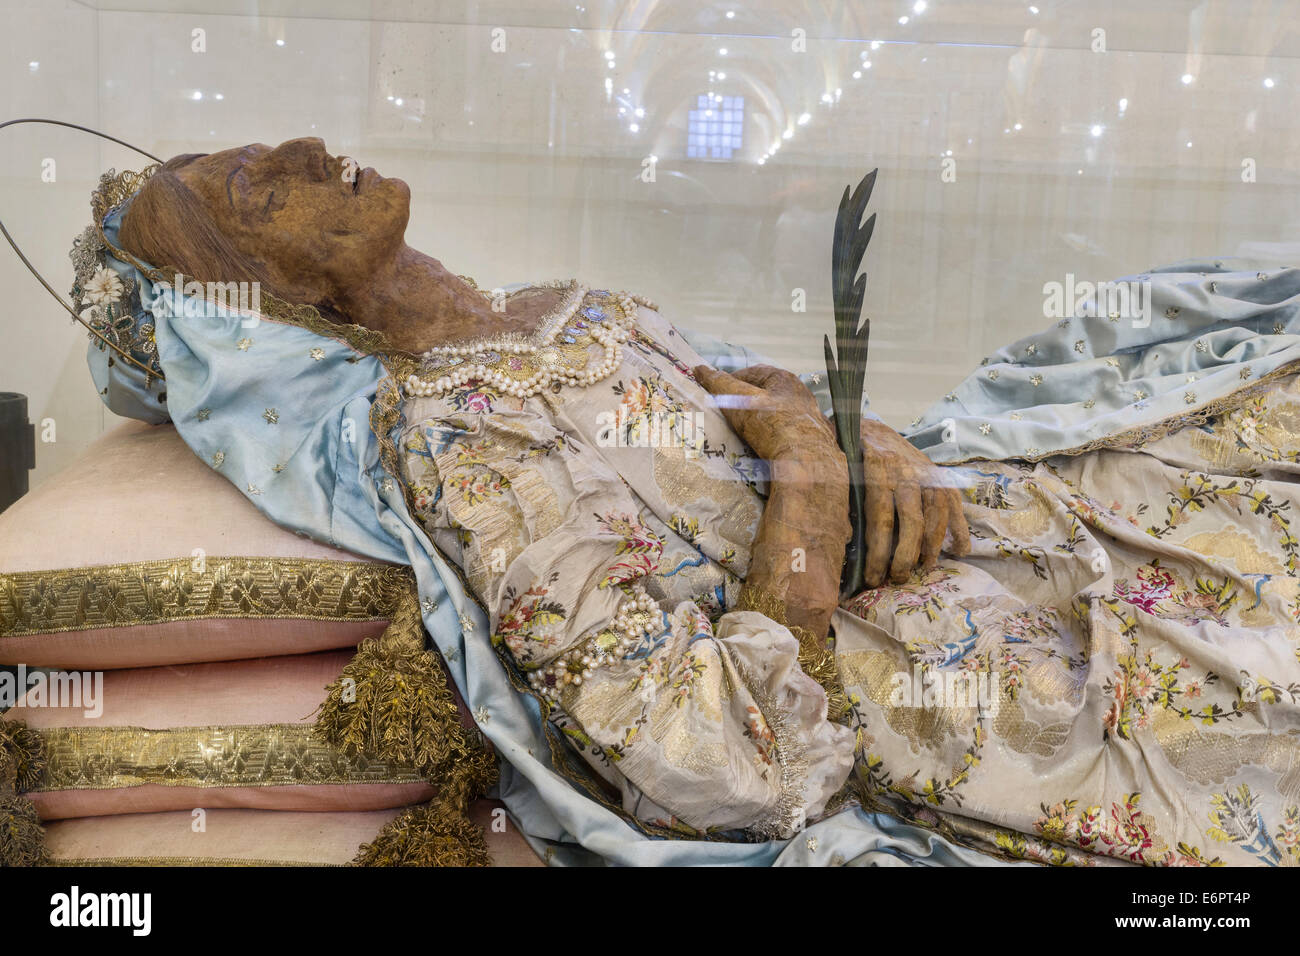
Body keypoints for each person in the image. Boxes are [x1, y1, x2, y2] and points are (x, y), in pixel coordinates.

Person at [82, 137, 1300, 865]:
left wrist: (835, 427)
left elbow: (730, 404)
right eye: (259, 190)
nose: (304, 147)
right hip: (909, 652)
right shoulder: (458, 436)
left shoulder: (544, 309)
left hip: (960, 521)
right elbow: (696, 751)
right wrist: (811, 496)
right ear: (266, 291)